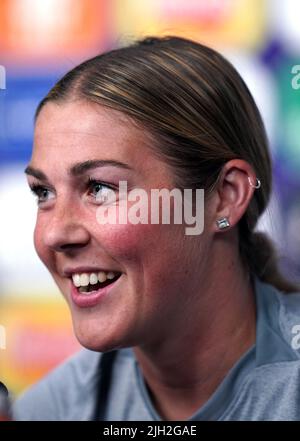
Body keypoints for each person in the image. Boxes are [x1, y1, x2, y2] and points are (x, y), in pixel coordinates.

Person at [13, 36, 300, 421]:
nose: (54, 235)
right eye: (43, 192)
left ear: (224, 197)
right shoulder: (49, 410)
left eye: (99, 188)